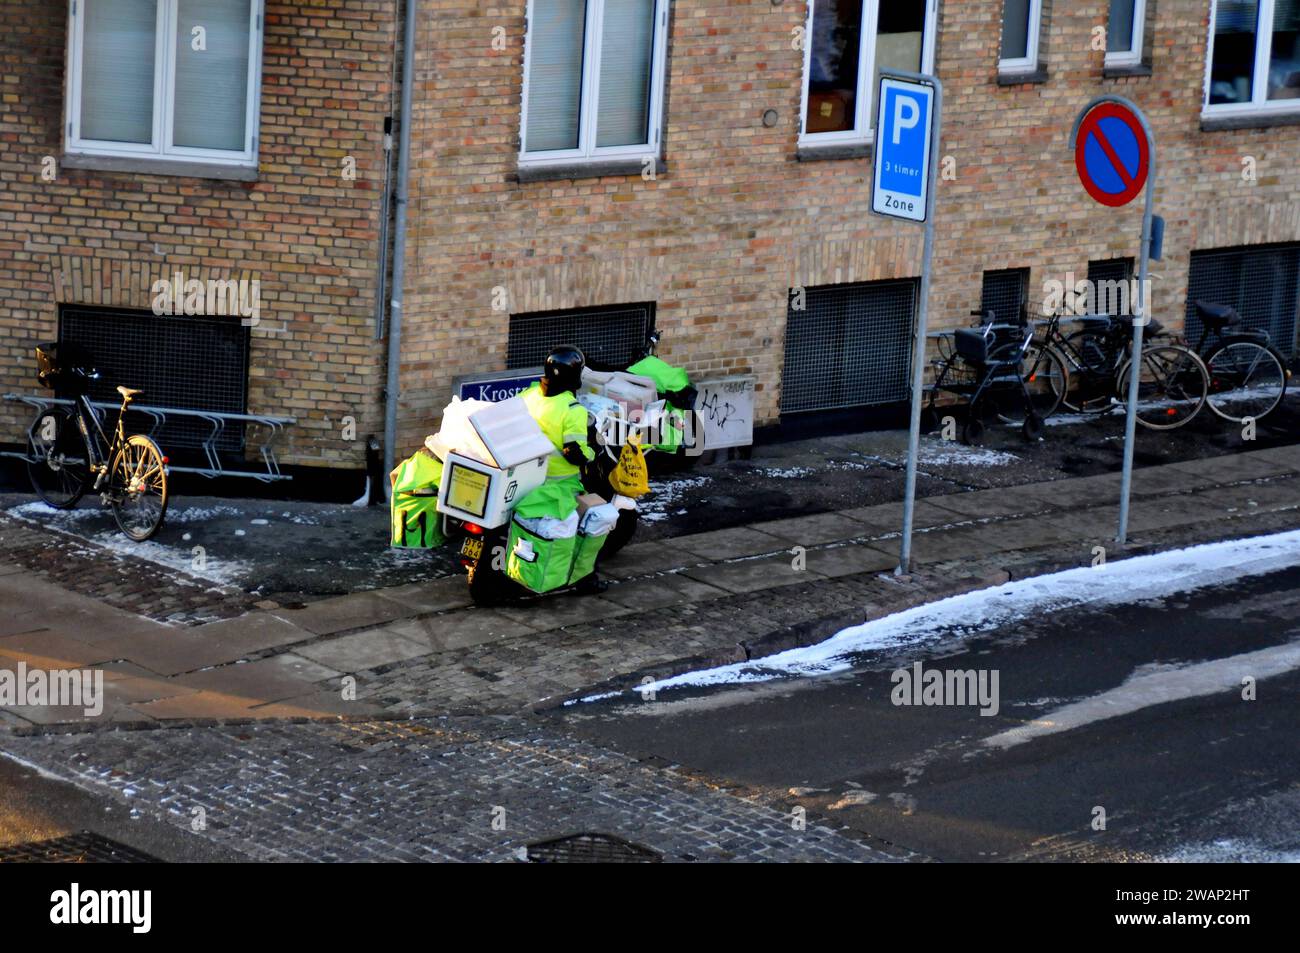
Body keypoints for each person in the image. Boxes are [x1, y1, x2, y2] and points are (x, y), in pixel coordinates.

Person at [520, 345, 606, 593]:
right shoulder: (572, 410)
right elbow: (575, 455)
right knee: (598, 517)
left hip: (525, 479)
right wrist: (594, 452)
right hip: (559, 485)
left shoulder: (529, 395)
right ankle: (582, 579)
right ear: (575, 376)